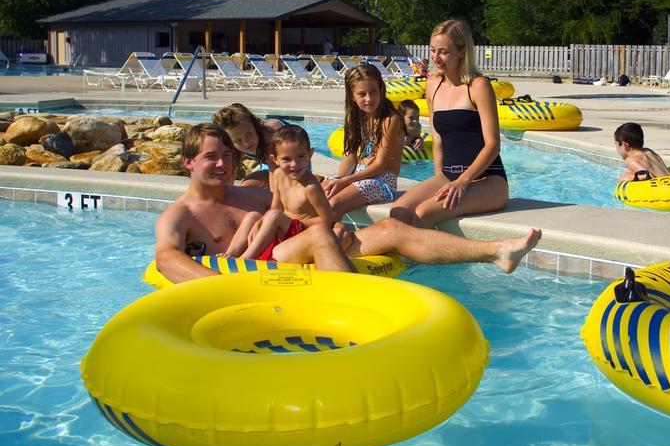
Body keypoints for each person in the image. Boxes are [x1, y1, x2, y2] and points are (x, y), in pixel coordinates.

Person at [155, 124, 541, 283]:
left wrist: (330, 218)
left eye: (226, 155)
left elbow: (295, 206)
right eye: (211, 157)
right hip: (263, 271)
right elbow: (166, 258)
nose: (223, 164)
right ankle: (356, 317)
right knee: (323, 233)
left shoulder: (251, 190)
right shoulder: (182, 214)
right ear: (188, 163)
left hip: (304, 243)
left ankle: (495, 252)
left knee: (390, 229)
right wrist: (222, 286)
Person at [390, 19, 508, 227]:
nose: (436, 58)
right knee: (398, 211)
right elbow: (437, 140)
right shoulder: (432, 84)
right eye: (433, 50)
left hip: (487, 180)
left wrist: (463, 181)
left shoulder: (478, 86)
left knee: (423, 213)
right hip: (448, 175)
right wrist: (439, 179)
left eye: (444, 52)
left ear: (462, 51)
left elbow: (493, 144)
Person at [227, 125, 336, 261]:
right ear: (275, 159)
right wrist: (261, 221)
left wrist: (293, 222)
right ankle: (230, 254)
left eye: (301, 156)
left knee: (274, 216)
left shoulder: (310, 186)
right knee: (253, 216)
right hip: (283, 229)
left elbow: (327, 219)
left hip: (302, 234)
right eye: (286, 159)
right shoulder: (278, 174)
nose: (294, 164)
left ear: (310, 154)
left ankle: (246, 258)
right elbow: (276, 206)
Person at [323, 64, 405, 218]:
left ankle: (329, 239)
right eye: (362, 94)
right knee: (319, 196)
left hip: (382, 181)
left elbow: (380, 166)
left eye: (373, 91)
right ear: (352, 96)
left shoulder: (390, 119)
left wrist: (346, 181)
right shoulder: (357, 117)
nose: (369, 99)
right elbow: (350, 158)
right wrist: (338, 179)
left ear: (381, 89)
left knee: (333, 204)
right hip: (359, 174)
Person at [212, 103, 286, 187]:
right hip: (268, 164)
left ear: (255, 125)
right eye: (238, 140)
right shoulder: (232, 147)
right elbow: (229, 177)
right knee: (246, 184)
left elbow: (281, 170)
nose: (247, 143)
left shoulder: (272, 134)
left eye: (249, 134)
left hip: (296, 163)